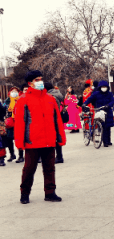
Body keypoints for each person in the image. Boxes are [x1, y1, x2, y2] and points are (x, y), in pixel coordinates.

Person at [14, 70, 66, 204]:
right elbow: (20, 123)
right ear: (30, 83)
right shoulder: (23, 100)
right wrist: (20, 143)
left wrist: (60, 137)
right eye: (37, 80)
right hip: (32, 141)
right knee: (29, 169)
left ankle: (50, 192)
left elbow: (57, 120)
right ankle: (24, 193)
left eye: (41, 79)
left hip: (49, 140)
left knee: (50, 168)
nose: (40, 82)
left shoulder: (50, 99)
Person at [84, 81, 114, 147]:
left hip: (108, 111)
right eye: (102, 87)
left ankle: (108, 140)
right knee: (103, 126)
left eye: (105, 87)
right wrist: (84, 104)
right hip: (100, 111)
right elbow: (89, 99)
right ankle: (105, 141)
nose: (104, 88)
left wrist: (108, 105)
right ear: (100, 87)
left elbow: (112, 101)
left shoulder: (109, 94)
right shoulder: (96, 94)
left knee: (108, 127)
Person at [2, 86, 22, 162]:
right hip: (9, 122)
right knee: (9, 139)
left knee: (19, 138)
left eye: (15, 91)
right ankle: (12, 154)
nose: (14, 92)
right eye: (12, 91)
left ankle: (21, 156)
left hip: (18, 121)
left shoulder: (20, 99)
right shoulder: (7, 101)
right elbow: (3, 109)